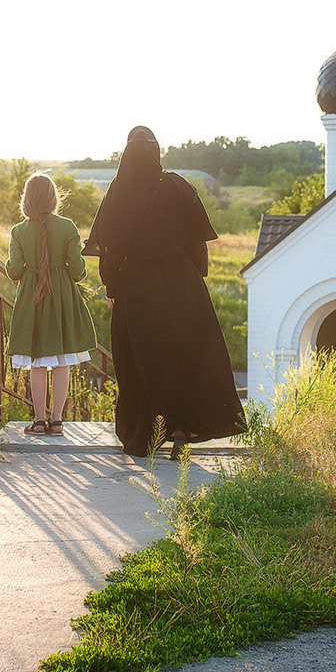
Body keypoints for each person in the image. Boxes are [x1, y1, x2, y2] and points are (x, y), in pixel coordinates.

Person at [83, 126, 246, 457]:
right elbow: (197, 244)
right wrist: (194, 279)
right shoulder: (177, 186)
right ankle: (183, 428)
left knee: (142, 361)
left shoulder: (118, 190)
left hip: (135, 289)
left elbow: (108, 245)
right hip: (181, 287)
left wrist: (112, 287)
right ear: (157, 153)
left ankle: (148, 434)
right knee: (184, 356)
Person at [4, 172, 97, 435]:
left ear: (27, 201)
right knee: (61, 361)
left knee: (37, 361)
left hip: (31, 302)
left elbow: (14, 271)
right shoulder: (67, 226)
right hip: (61, 299)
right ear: (53, 198)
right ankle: (57, 421)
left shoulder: (18, 231)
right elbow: (78, 270)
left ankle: (38, 421)